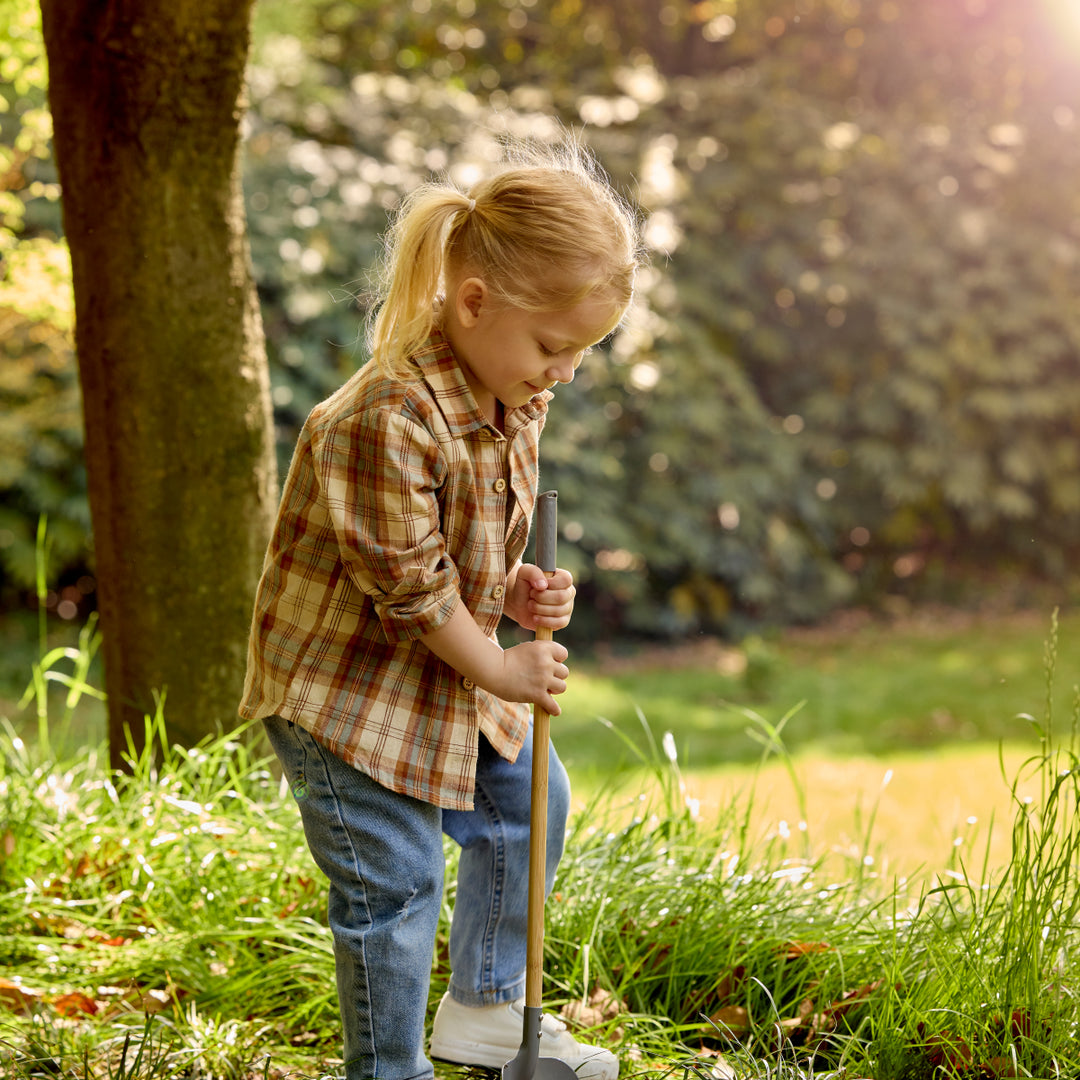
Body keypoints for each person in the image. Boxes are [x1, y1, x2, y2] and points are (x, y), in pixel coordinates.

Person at [239, 139, 641, 1080]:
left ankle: (486, 1010)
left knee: (530, 805)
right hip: (345, 698)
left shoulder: (510, 393)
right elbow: (414, 590)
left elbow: (469, 555)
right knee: (397, 885)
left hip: (438, 672)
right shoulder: (385, 417)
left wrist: (519, 593)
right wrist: (500, 663)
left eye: (583, 352)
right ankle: (389, 1069)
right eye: (555, 347)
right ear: (474, 303)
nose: (568, 373)